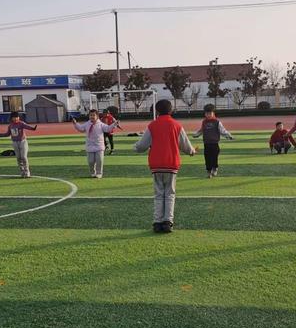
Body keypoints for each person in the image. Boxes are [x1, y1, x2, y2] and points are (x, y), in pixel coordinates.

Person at [134, 99, 196, 233]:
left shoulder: (152, 125)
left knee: (158, 194)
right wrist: (192, 151)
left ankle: (157, 222)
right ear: (171, 110)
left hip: (156, 164)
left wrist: (135, 147)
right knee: (170, 194)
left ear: (157, 111)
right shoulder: (176, 125)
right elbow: (185, 144)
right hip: (171, 164)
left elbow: (141, 146)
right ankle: (168, 222)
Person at [72, 109, 119, 178]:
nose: (92, 117)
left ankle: (99, 173)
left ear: (97, 116)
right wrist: (75, 123)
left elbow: (108, 128)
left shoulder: (101, 124)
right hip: (90, 146)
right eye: (90, 115)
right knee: (91, 162)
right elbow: (81, 129)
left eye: (94, 115)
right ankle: (92, 172)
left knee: (99, 160)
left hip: (99, 146)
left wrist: (114, 124)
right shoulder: (87, 124)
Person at [193, 103, 233, 178]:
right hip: (206, 143)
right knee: (207, 158)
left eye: (210, 113)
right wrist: (196, 135)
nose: (208, 115)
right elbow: (201, 130)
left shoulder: (217, 122)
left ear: (213, 113)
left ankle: (215, 168)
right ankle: (209, 171)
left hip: (215, 144)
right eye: (206, 113)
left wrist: (228, 136)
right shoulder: (204, 122)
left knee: (214, 157)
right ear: (205, 114)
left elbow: (222, 131)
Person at [0, 112, 37, 178]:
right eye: (14, 117)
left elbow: (27, 126)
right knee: (18, 158)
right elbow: (7, 134)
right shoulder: (10, 125)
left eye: (17, 117)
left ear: (19, 117)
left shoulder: (21, 123)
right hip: (15, 143)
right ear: (11, 118)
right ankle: (22, 172)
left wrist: (33, 128)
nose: (15, 119)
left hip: (22, 142)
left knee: (23, 157)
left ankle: (27, 172)